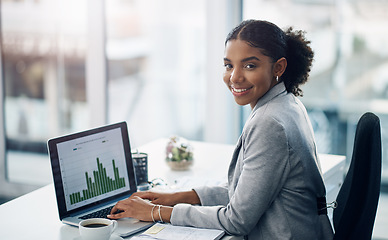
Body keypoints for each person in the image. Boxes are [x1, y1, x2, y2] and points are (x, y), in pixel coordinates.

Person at [108, 19, 334, 239]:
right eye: (229, 65)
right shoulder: (286, 103)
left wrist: (155, 213)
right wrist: (176, 197)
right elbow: (246, 192)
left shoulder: (270, 123)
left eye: (250, 65)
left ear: (279, 67)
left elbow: (236, 220)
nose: (234, 77)